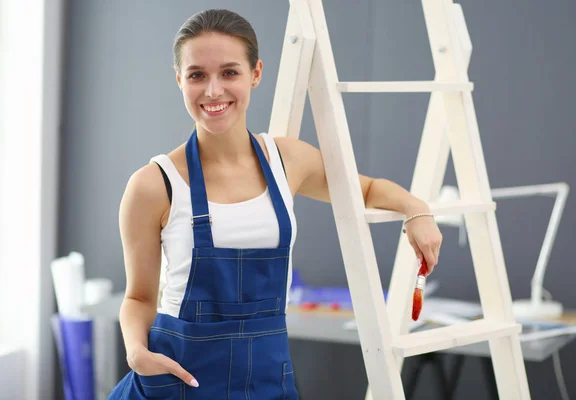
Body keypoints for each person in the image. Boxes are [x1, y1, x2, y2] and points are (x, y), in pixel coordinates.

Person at [107, 8, 442, 399]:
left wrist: (417, 209)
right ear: (180, 78)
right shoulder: (153, 185)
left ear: (256, 73)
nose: (213, 90)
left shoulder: (288, 161)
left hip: (264, 380)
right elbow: (139, 298)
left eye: (229, 72)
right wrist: (136, 353)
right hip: (178, 381)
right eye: (197, 74)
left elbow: (363, 189)